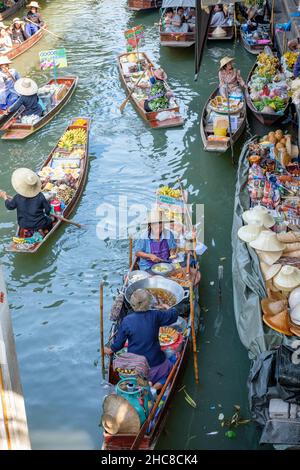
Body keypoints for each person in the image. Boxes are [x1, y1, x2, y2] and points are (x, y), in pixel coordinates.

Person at [104, 289, 179, 391]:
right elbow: (174, 315)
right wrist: (167, 307)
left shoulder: (127, 321)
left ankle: (146, 386)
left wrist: (108, 350)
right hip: (155, 363)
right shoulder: (156, 315)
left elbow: (117, 345)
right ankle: (154, 388)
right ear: (149, 303)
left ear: (133, 304)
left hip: (136, 367)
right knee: (171, 365)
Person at [0, 168, 53, 234]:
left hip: (23, 224)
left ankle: (31, 230)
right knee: (50, 221)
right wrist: (48, 214)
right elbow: (48, 210)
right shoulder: (40, 196)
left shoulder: (17, 197)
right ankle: (44, 230)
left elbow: (10, 206)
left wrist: (4, 196)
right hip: (40, 224)